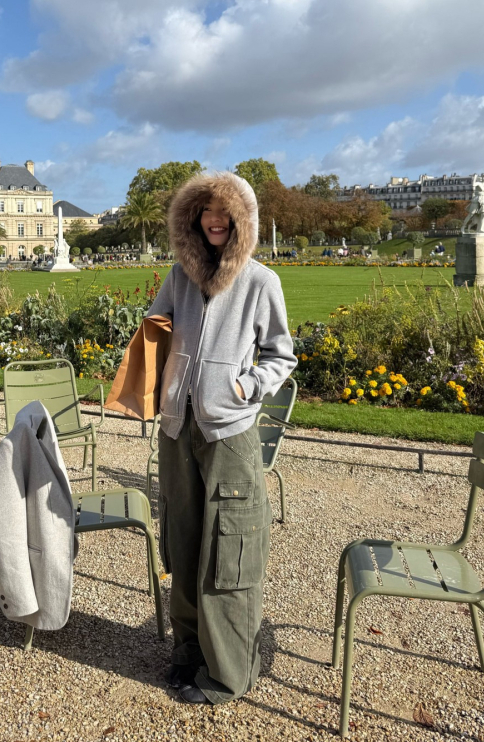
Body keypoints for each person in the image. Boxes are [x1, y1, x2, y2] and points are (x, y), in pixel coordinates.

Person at [146, 171, 296, 706]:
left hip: (229, 431)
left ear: (241, 221)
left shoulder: (261, 282)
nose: (214, 220)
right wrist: (152, 358)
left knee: (229, 550)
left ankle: (228, 671)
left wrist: (245, 384)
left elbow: (282, 355)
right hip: (175, 426)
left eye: (223, 213)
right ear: (192, 218)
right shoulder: (179, 275)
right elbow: (156, 329)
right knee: (182, 542)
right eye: (205, 212)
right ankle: (189, 653)